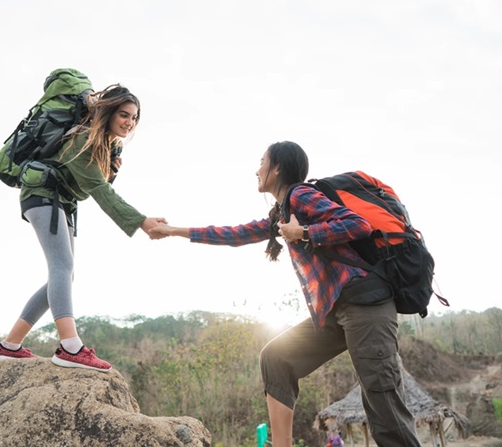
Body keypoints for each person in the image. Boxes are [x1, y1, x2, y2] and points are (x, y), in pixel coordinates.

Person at [149, 141, 421, 447]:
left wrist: (304, 233)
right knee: (277, 357)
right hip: (336, 310)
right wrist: (174, 231)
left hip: (365, 303)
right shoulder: (282, 211)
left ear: (277, 168)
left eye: (262, 162)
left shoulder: (301, 195)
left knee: (382, 405)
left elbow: (358, 224)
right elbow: (234, 234)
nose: (257, 169)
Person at [0, 83, 166, 372]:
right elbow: (98, 190)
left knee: (64, 272)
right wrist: (141, 221)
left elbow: (91, 186)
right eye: (124, 114)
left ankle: (10, 346)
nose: (129, 122)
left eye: (134, 118)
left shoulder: (107, 145)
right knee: (62, 266)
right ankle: (70, 347)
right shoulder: (82, 139)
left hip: (62, 201)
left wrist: (111, 170)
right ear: (109, 112)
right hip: (43, 195)